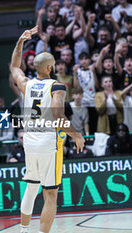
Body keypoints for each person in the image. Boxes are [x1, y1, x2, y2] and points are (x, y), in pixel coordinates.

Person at [10, 26, 85, 233]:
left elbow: (15, 68)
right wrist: (77, 135)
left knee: (31, 187)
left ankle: (24, 231)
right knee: (50, 194)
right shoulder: (57, 86)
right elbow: (59, 116)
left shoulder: (27, 84)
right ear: (51, 68)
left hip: (30, 141)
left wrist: (20, 41)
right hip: (48, 142)